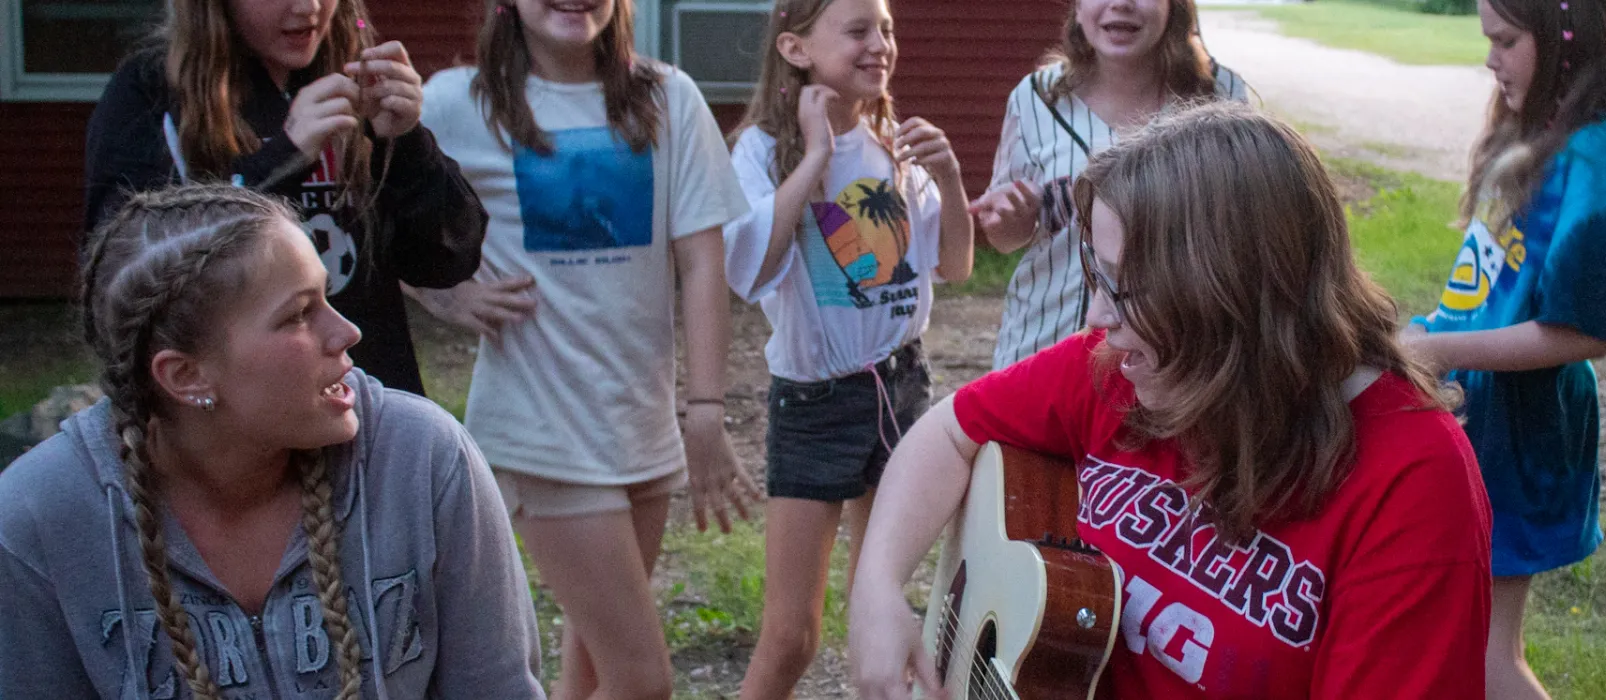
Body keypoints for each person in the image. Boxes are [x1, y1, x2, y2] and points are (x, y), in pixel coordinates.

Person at [848, 102, 1491, 699]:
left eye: (1124, 290)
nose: (1098, 315)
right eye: (1096, 277)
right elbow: (951, 431)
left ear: (1229, 298)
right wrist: (876, 590)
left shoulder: (1414, 478)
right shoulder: (1125, 366)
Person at [0, 185, 543, 699]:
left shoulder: (421, 459)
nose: (347, 332)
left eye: (326, 297)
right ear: (186, 376)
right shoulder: (39, 517)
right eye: (299, 314)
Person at [412, 0, 760, 697]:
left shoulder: (671, 98)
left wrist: (706, 410)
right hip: (539, 423)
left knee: (592, 671)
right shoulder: (454, 102)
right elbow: (376, 219)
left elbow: (700, 261)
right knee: (642, 678)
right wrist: (447, 295)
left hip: (640, 423)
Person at [1397, 0, 1606, 695]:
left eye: (1506, 40)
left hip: (1522, 436)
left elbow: (1580, 332)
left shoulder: (1601, 162)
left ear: (1567, 38)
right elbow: (1483, 285)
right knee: (1446, 637)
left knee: (1489, 659)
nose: (1490, 59)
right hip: (1475, 409)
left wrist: (1438, 353)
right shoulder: (1536, 133)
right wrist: (1425, 334)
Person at [720, 0, 975, 696]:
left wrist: (950, 182)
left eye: (886, 29)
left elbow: (953, 267)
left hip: (901, 387)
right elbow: (749, 271)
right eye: (859, 30)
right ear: (797, 48)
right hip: (816, 402)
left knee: (882, 613)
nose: (880, 45)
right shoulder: (761, 151)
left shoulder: (893, 139)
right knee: (791, 638)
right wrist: (816, 157)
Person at [83, 0, 486, 395]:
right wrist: (284, 159)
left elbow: (448, 259)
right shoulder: (153, 89)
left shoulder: (349, 73)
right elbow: (127, 289)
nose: (308, 7)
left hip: (369, 404)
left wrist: (407, 143)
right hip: (242, 421)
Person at [972, 0, 1248, 369]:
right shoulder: (1034, 96)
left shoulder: (1220, 92)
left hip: (1174, 355)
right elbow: (1006, 238)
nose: (1121, 4)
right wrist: (1011, 225)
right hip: (1044, 341)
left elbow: (1245, 231)